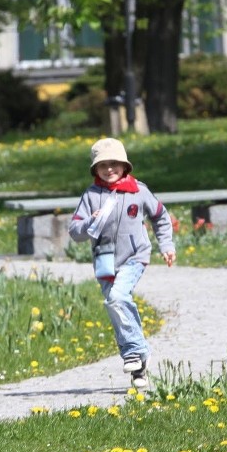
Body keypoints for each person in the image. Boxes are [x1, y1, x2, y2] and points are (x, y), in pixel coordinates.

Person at [68, 138, 176, 388]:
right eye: (103, 165)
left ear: (125, 165)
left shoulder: (139, 190)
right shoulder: (91, 195)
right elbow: (75, 231)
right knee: (116, 308)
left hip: (134, 256)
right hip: (105, 261)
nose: (109, 169)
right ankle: (140, 363)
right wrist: (88, 222)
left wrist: (167, 246)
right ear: (95, 169)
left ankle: (133, 353)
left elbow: (160, 217)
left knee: (117, 297)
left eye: (114, 163)